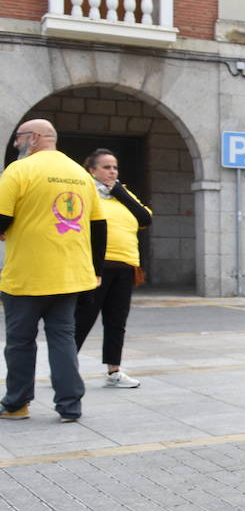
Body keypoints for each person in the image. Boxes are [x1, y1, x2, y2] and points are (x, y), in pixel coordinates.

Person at [0, 119, 106, 423]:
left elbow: (1, 217)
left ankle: (16, 404)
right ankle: (70, 406)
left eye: (18, 139)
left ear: (33, 138)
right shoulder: (79, 174)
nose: (15, 145)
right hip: (70, 276)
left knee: (20, 342)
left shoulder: (18, 171)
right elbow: (99, 227)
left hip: (27, 276)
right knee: (63, 339)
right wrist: (95, 271)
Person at [75, 148, 152, 388]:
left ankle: (114, 370)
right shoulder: (84, 191)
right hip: (96, 266)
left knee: (116, 320)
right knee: (83, 318)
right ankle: (65, 365)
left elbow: (145, 218)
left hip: (126, 265)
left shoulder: (123, 193)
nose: (112, 171)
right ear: (92, 170)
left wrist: (119, 191)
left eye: (115, 167)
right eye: (106, 167)